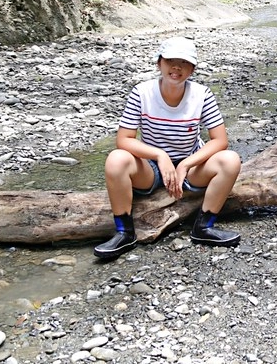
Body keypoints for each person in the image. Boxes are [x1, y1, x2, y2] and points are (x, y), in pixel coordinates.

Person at [94, 36, 242, 260]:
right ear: (159, 63)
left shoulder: (202, 95)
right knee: (116, 159)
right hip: (150, 169)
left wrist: (185, 164)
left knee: (230, 160)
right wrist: (159, 156)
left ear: (192, 68)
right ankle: (124, 232)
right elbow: (123, 139)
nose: (176, 67)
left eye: (184, 62)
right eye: (170, 60)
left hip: (190, 167)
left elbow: (220, 141)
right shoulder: (142, 92)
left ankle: (204, 227)